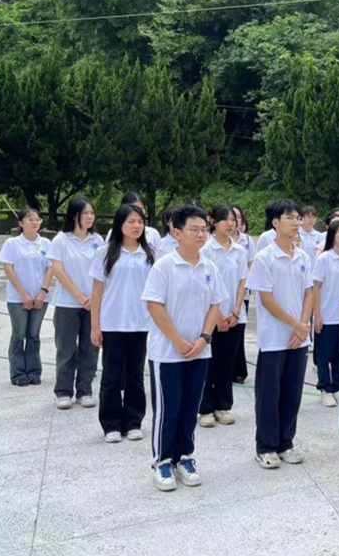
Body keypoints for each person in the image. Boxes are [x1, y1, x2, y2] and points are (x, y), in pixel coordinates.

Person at [141, 204, 228, 492]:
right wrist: (177, 340)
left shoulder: (209, 267)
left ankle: (184, 456)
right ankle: (162, 460)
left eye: (204, 229)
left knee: (190, 407)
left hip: (199, 351)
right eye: (194, 229)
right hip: (167, 353)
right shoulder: (164, 266)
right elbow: (154, 305)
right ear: (176, 232)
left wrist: (204, 338)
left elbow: (216, 305)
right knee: (168, 409)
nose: (201, 234)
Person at [246, 200, 314, 468]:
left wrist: (303, 324)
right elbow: (266, 299)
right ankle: (265, 446)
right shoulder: (265, 257)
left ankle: (286, 442)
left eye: (298, 217)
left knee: (292, 392)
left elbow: (309, 291)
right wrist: (295, 324)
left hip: (299, 337)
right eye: (290, 218)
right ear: (275, 223)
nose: (297, 222)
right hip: (274, 338)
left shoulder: (303, 257)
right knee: (269, 394)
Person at [89, 204, 156, 443]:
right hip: (112, 323)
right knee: (111, 376)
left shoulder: (150, 254)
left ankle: (134, 421)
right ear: (120, 224)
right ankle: (111, 424)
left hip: (140, 323)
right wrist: (95, 325)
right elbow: (97, 292)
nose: (137, 226)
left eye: (140, 222)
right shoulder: (105, 253)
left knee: (135, 375)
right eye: (131, 221)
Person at [47, 197, 105, 410]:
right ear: (74, 216)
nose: (90, 217)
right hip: (68, 304)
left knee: (91, 348)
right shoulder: (61, 240)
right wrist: (80, 297)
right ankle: (63, 391)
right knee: (66, 348)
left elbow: (103, 271)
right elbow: (58, 270)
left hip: (93, 304)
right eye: (85, 213)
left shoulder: (97, 240)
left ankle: (85, 390)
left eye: (92, 213)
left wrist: (93, 298)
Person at [198, 206, 248, 428]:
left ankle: (223, 405)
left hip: (235, 315)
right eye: (225, 220)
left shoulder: (239, 250)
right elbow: (205, 284)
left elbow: (242, 281)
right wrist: (217, 315)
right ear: (213, 222)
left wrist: (236, 310)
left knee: (227, 362)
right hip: (211, 316)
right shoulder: (206, 249)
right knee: (209, 362)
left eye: (233, 220)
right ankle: (205, 407)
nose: (230, 224)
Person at [0, 208, 53, 386]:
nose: (35, 222)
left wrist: (43, 291)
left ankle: (34, 372)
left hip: (40, 297)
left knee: (34, 335)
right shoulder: (12, 244)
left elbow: (50, 269)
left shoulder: (45, 243)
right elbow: (9, 269)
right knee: (19, 334)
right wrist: (23, 294)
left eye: (37, 219)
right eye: (30, 219)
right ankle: (18, 373)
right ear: (21, 223)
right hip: (17, 298)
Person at [312, 219, 339, 407]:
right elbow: (316, 288)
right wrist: (317, 314)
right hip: (327, 314)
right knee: (324, 354)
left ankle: (338, 385)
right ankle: (325, 388)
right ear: (332, 235)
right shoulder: (324, 259)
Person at [230, 204, 255, 384]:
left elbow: (251, 264)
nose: (235, 221)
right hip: (224, 294)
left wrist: (245, 284)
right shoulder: (213, 242)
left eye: (238, 217)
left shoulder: (246, 241)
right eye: (232, 218)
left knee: (238, 333)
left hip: (242, 292)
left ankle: (239, 369)